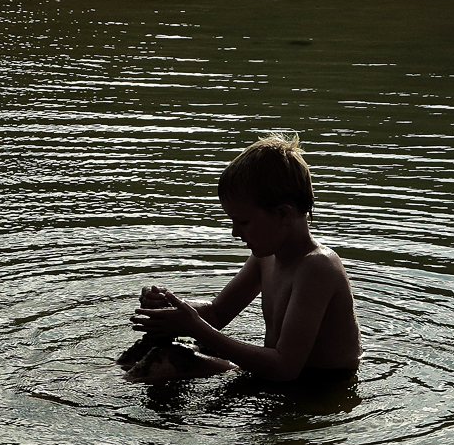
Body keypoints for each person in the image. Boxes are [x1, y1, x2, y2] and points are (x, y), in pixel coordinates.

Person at [120, 133, 362, 383]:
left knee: (166, 363)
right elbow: (216, 314)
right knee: (151, 353)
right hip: (275, 374)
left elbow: (285, 368)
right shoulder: (266, 257)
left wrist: (195, 329)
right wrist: (173, 306)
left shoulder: (317, 266)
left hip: (315, 386)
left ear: (283, 213)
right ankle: (98, 376)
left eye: (243, 222)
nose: (235, 232)